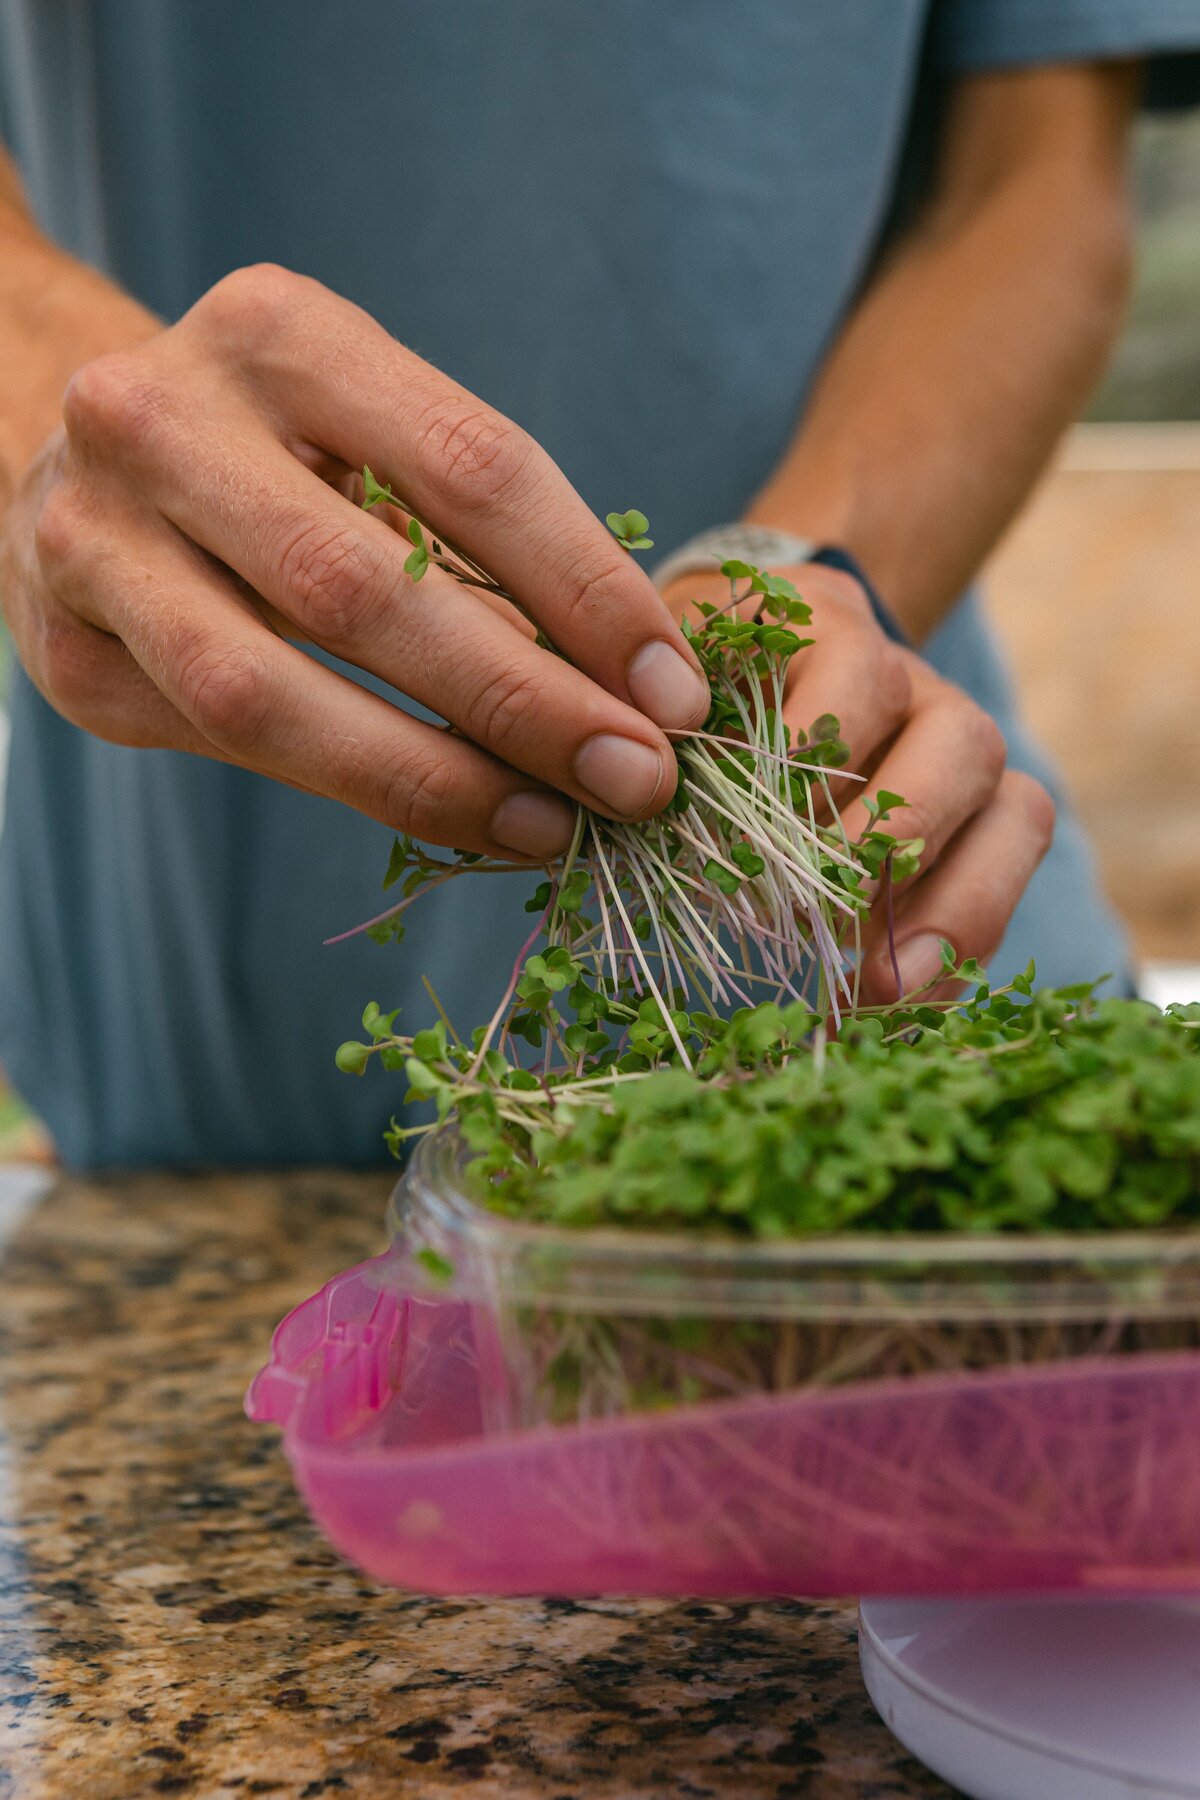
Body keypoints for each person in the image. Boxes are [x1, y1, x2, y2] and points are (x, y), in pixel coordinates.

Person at [0, 4, 1196, 1169]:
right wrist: (68, 415)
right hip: (208, 1041)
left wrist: (807, 573)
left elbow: (1034, 183)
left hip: (896, 965)